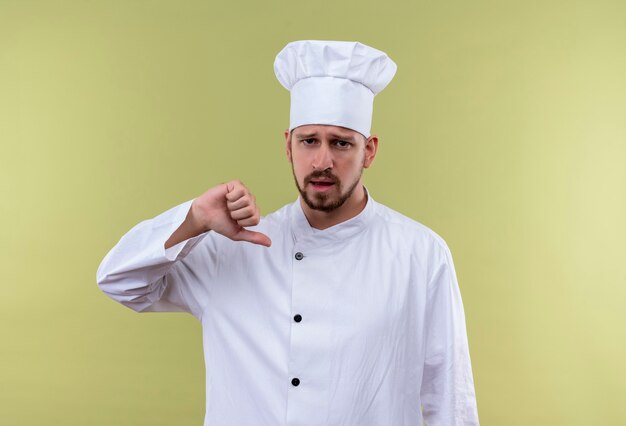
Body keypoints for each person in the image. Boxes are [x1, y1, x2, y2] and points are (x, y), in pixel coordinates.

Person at [97, 40, 480, 425]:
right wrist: (193, 219)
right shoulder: (233, 247)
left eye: (341, 143)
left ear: (369, 151)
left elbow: (449, 396)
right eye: (309, 140)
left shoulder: (421, 253)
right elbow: (118, 281)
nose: (322, 161)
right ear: (288, 145)